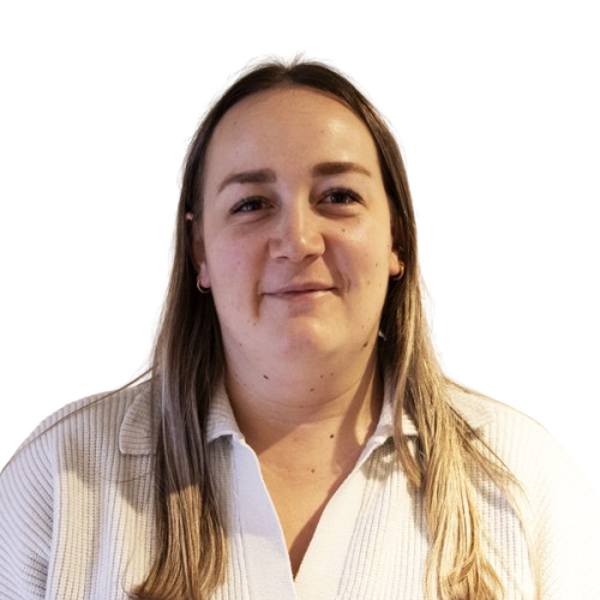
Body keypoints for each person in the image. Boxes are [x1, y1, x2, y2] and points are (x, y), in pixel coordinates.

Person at [1, 51, 598, 600]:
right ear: (200, 251)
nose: (299, 241)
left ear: (397, 237)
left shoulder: (528, 478)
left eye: (338, 196)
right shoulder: (57, 480)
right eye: (251, 204)